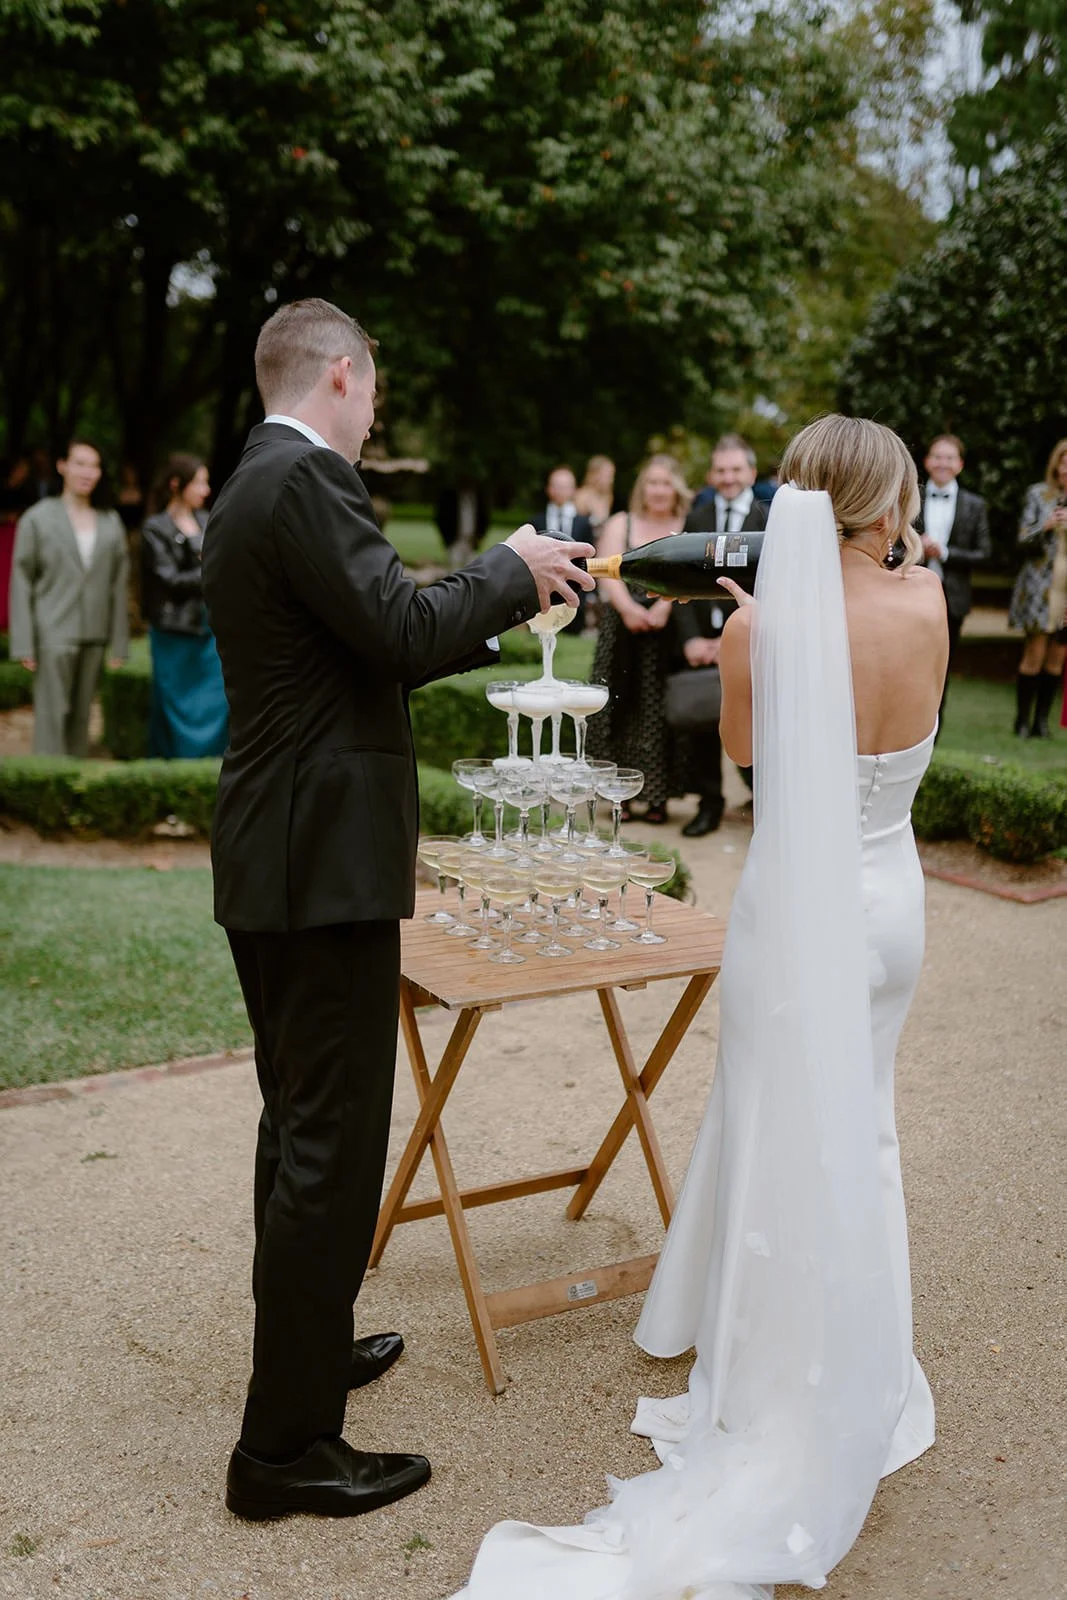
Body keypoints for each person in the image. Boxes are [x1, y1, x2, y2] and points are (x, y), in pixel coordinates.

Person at [448, 415, 946, 1600]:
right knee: (864, 1130)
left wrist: (751, 631)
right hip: (892, 905)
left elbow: (752, 772)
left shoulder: (760, 629)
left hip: (798, 907)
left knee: (780, 1123)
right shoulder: (928, 607)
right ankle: (866, 1369)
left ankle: (774, 1373)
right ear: (884, 505)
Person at [200, 297, 594, 1523]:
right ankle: (282, 1451)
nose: (374, 416)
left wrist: (479, 592)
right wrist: (512, 571)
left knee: (297, 1128)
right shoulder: (307, 481)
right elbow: (403, 626)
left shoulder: (248, 483)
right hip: (318, 870)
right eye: (373, 391)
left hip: (280, 858)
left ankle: (311, 1357)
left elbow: (359, 640)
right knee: (328, 1145)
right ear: (345, 373)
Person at [585, 454, 692, 823]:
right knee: (621, 708)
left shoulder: (685, 524)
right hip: (622, 631)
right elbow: (604, 571)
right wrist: (629, 610)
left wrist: (664, 609)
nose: (659, 490)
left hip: (670, 630)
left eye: (665, 483)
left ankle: (659, 797)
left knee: (662, 712)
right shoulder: (622, 522)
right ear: (641, 489)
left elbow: (693, 575)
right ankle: (620, 797)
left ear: (675, 488)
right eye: (652, 482)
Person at [672, 433, 768, 831]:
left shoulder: (770, 518)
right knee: (701, 723)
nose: (728, 477)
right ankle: (709, 802)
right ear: (712, 474)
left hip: (753, 638)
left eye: (736, 469)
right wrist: (692, 639)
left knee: (761, 721)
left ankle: (764, 802)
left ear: (751, 472)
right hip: (704, 642)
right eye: (721, 470)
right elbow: (682, 582)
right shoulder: (697, 518)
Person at [8, 438, 128, 755]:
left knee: (83, 716)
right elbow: (21, 580)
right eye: (80, 463)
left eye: (94, 465)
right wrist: (23, 640)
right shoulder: (37, 518)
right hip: (53, 629)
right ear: (62, 467)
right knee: (51, 714)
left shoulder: (111, 522)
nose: (87, 472)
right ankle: (48, 786)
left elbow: (118, 585)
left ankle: (72, 785)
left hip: (95, 631)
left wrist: (119, 641)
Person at [141, 454, 228, 758]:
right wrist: (210, 568)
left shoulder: (208, 519)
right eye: (199, 482)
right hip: (173, 630)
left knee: (216, 699)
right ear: (176, 484)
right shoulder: (155, 528)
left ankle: (210, 762)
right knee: (172, 702)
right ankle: (173, 764)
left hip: (210, 627)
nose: (206, 489)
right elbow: (169, 579)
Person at [915, 434, 990, 732]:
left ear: (959, 464)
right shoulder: (911, 497)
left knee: (941, 668)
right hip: (912, 595)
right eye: (937, 456)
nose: (942, 463)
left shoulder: (975, 504)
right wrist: (915, 545)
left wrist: (944, 552)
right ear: (927, 461)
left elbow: (984, 553)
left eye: (949, 457)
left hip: (953, 598)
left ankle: (934, 732)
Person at [1008, 439, 1067, 737]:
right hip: (1040, 588)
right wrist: (1045, 525)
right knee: (1035, 650)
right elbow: (1021, 539)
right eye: (1065, 462)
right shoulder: (1038, 495)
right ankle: (1021, 720)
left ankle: (1041, 722)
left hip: (1066, 595)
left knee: (1057, 655)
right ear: (1056, 464)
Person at [531, 466, 594, 633]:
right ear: (549, 489)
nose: (561, 491)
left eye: (565, 486)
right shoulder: (536, 521)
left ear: (573, 490)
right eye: (557, 486)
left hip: (576, 593)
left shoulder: (583, 522)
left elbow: (590, 558)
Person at [573, 454, 616, 535]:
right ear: (594, 475)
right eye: (608, 475)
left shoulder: (608, 497)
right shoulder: (582, 497)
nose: (611, 480)